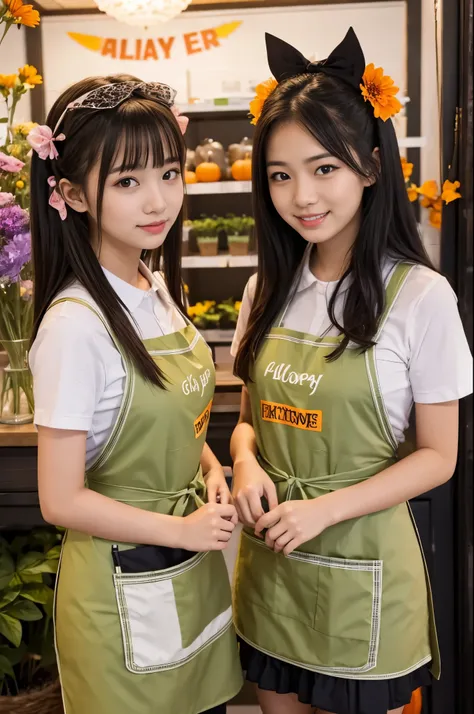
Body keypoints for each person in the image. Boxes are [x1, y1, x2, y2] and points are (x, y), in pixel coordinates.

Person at [230, 28, 473, 714]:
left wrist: (323, 511)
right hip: (273, 569)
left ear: (370, 167)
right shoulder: (265, 290)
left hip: (365, 572)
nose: (301, 194)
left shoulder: (421, 297)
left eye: (324, 168)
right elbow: (249, 423)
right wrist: (246, 464)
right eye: (280, 174)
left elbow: (439, 457)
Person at [28, 74, 242, 714]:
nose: (158, 200)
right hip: (122, 599)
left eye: (169, 173)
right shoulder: (75, 326)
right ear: (70, 193)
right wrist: (188, 529)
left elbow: (177, 418)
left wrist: (207, 466)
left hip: (187, 571)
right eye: (127, 181)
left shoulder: (152, 287)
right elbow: (59, 499)